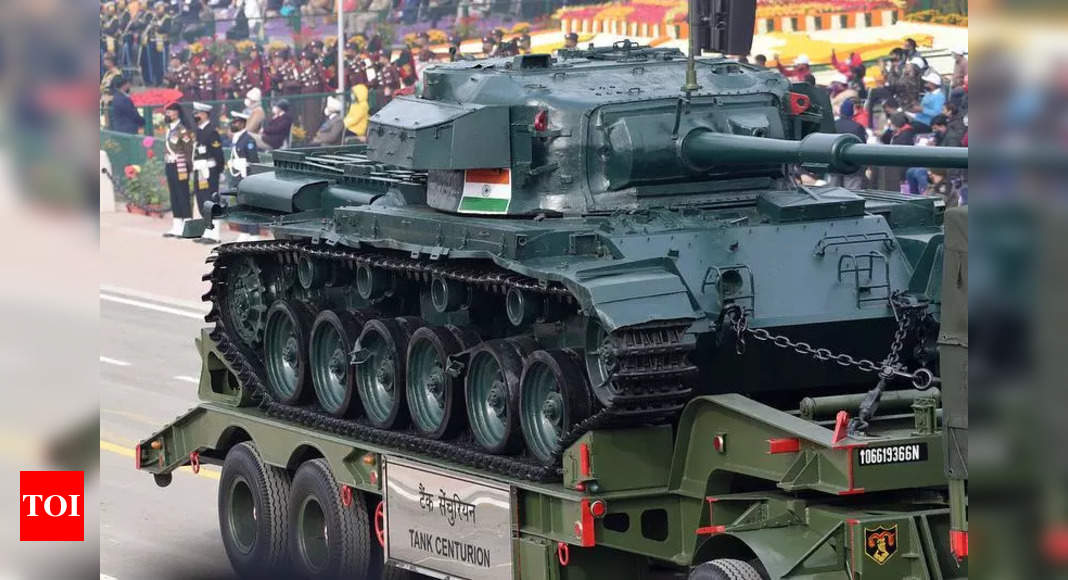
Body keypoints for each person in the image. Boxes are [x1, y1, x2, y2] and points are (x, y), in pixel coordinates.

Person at [191, 102, 225, 243]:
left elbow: (218, 154)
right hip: (200, 170)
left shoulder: (212, 132)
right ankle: (206, 232)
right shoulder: (199, 130)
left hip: (210, 171)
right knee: (201, 200)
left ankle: (214, 234)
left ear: (205, 114)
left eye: (198, 113)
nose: (196, 116)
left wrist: (220, 170)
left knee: (211, 200)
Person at [162, 102, 195, 237]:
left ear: (177, 113)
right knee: (174, 194)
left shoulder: (183, 130)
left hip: (181, 164)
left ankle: (187, 224)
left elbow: (188, 150)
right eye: (167, 112)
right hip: (170, 163)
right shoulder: (169, 129)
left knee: (182, 194)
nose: (167, 114)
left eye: (170, 111)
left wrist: (189, 167)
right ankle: (177, 224)